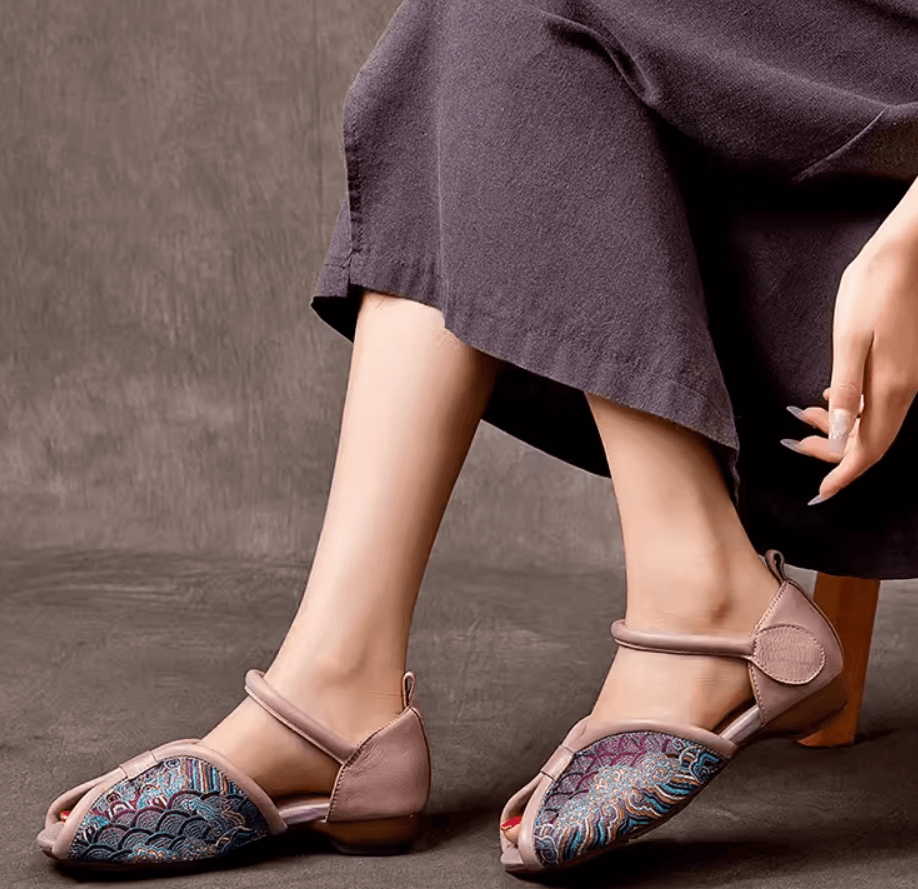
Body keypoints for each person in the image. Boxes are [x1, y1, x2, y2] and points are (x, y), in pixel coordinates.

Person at [37, 0, 918, 877]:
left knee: (497, 23)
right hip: (807, 218)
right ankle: (342, 670)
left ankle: (353, 695)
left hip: (869, 277)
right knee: (483, 42)